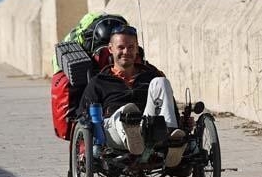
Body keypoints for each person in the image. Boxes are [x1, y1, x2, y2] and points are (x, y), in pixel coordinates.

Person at [78, 25, 185, 166]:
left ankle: (171, 138)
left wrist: (183, 124)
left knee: (161, 82)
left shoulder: (150, 76)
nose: (126, 52)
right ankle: (131, 131)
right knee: (127, 111)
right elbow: (83, 116)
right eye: (121, 47)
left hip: (147, 127)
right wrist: (85, 149)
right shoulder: (99, 82)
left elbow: (168, 107)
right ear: (110, 49)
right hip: (113, 130)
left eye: (130, 47)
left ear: (137, 49)